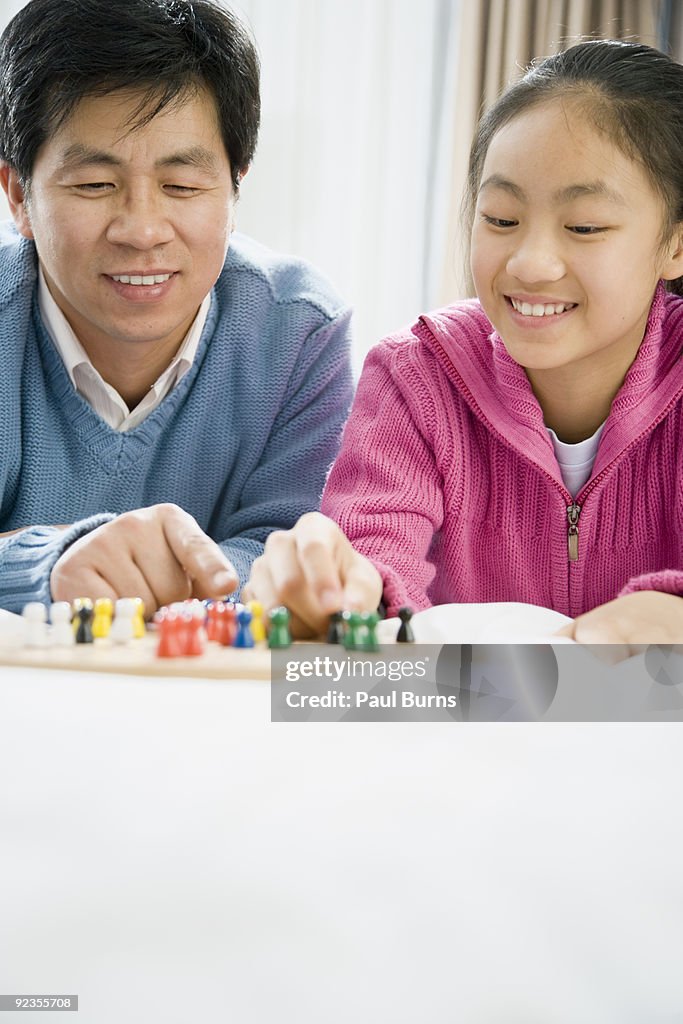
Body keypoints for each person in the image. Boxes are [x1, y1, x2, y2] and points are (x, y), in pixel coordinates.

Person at [245, 39, 683, 650]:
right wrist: (343, 596)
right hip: (461, 733)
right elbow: (372, 557)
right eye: (501, 218)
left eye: (584, 227)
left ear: (674, 244)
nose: (530, 264)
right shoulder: (416, 374)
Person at [0, 0, 353, 616]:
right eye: (94, 184)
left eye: (182, 186)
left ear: (236, 187)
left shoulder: (298, 333)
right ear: (18, 196)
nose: (142, 230)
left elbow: (289, 547)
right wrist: (51, 562)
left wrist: (192, 580)